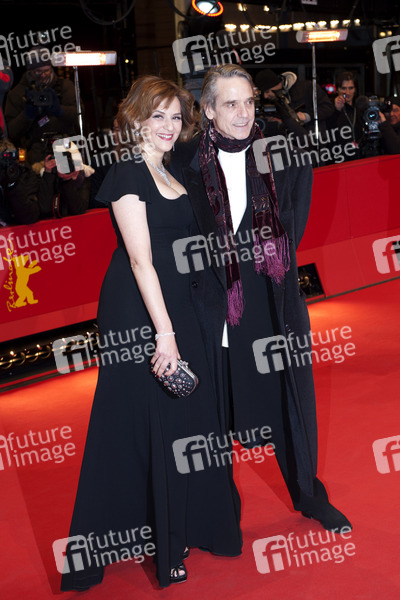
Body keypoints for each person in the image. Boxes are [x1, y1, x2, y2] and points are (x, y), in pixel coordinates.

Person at [60, 75, 242, 592]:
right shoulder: (127, 172)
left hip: (180, 304)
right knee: (149, 420)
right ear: (135, 119)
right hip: (139, 311)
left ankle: (184, 524)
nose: (168, 125)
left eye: (175, 116)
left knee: (187, 417)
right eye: (157, 115)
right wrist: (164, 334)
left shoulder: (172, 169)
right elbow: (141, 261)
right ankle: (162, 538)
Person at [172, 64, 351, 534]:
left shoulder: (281, 153)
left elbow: (296, 219)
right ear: (208, 110)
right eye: (230, 104)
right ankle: (216, 514)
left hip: (271, 298)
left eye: (249, 101)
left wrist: (270, 264)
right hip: (211, 308)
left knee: (288, 403)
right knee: (213, 414)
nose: (243, 113)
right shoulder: (184, 159)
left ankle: (308, 494)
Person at [5, 46, 77, 164]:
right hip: (35, 156)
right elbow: (11, 133)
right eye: (38, 72)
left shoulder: (65, 87)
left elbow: (79, 116)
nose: (43, 75)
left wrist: (59, 110)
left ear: (51, 68)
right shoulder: (16, 94)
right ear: (30, 71)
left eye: (47, 70)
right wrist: (27, 115)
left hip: (66, 148)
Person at [326, 71, 363, 160]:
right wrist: (337, 110)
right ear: (337, 90)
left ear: (355, 90)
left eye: (351, 88)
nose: (347, 92)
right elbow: (328, 132)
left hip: (358, 156)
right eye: (343, 88)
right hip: (338, 157)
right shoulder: (329, 107)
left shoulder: (359, 108)